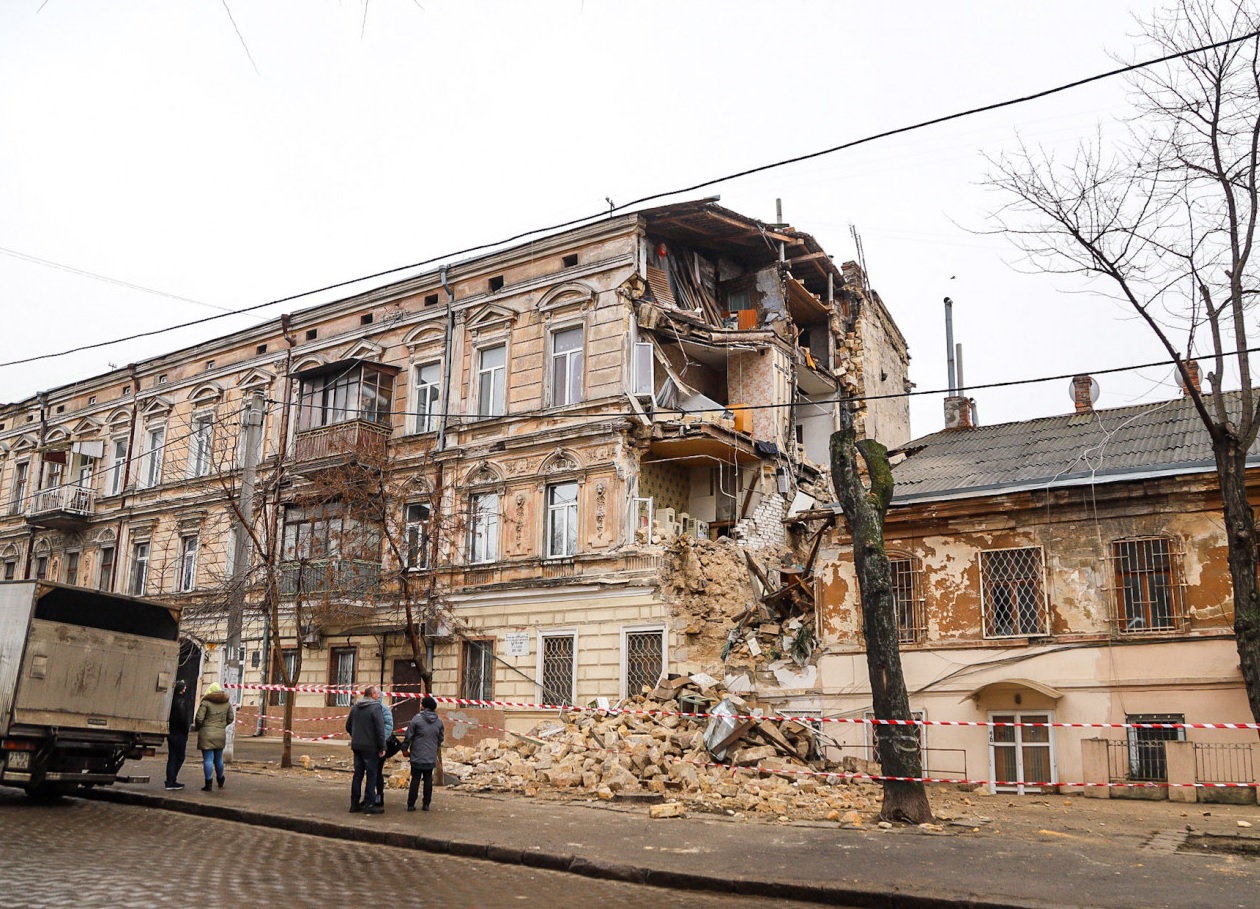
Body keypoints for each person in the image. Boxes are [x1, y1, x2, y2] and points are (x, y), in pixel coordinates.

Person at [345, 685, 386, 814]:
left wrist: (356, 737)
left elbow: (348, 726)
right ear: (372, 695)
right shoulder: (375, 707)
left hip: (357, 745)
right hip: (371, 746)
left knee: (358, 774)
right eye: (377, 694)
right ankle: (369, 804)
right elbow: (380, 728)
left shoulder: (356, 707)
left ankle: (354, 804)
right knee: (372, 774)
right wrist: (382, 746)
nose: (379, 696)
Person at [403, 695, 444, 812]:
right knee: (428, 779)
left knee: (415, 779)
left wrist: (405, 748)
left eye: (422, 703)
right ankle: (426, 804)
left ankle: (411, 804)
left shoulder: (417, 719)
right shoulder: (439, 722)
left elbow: (409, 735)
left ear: (424, 706)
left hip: (417, 754)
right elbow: (440, 738)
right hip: (431, 756)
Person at [193, 682, 234, 793]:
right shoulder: (227, 703)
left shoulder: (206, 703)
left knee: (208, 759)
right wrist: (221, 726)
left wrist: (198, 727)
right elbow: (231, 718)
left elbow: (199, 719)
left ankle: (208, 783)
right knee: (219, 759)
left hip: (206, 734)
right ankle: (220, 779)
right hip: (220, 734)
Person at [164, 679, 192, 791]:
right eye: (184, 687)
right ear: (181, 689)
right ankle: (172, 780)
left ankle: (170, 780)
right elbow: (183, 718)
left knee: (172, 757)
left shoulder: (171, 700)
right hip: (179, 734)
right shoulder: (181, 701)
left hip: (171, 732)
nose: (185, 688)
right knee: (180, 757)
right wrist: (186, 730)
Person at [372, 690, 395, 808]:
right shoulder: (367, 708)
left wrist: (380, 742)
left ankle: (379, 797)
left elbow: (389, 727)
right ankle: (370, 797)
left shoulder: (384, 710)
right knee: (370, 772)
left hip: (379, 747)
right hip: (369, 746)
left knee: (377, 773)